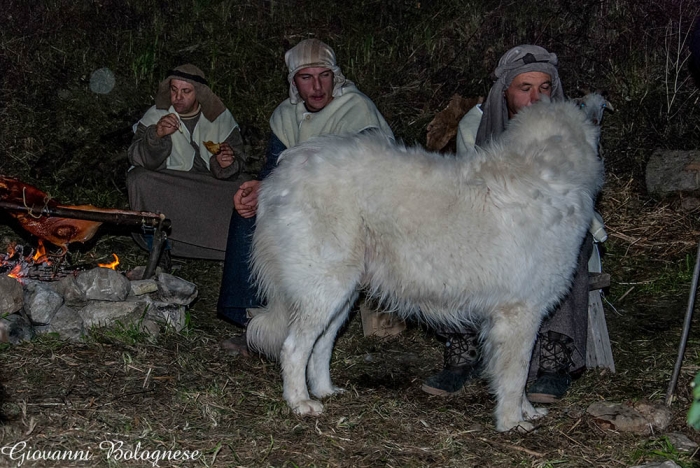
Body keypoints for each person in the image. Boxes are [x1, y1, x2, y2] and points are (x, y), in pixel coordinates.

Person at [422, 45, 596, 403]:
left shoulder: (569, 125)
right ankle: (463, 350)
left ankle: (553, 361)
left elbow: (576, 192)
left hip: (551, 225)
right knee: (460, 250)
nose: (536, 98)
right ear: (505, 91)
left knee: (567, 255)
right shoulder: (475, 124)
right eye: (525, 88)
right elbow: (469, 190)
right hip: (491, 222)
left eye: (544, 87)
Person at [217, 39, 394, 340]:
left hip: (352, 207)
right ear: (293, 82)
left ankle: (304, 320)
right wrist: (260, 188)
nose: (317, 87)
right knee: (248, 210)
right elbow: (274, 169)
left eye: (324, 75)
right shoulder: (286, 115)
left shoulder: (357, 110)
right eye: (306, 77)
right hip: (302, 200)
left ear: (335, 76)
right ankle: (248, 316)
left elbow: (365, 177)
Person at [127, 64, 251, 260]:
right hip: (173, 182)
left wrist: (225, 164)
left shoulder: (219, 118)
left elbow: (238, 160)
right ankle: (163, 245)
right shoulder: (156, 115)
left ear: (199, 93)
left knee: (245, 186)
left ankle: (234, 245)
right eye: (174, 90)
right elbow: (137, 157)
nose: (178, 97)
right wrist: (157, 136)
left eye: (186, 91)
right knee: (138, 179)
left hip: (208, 184)